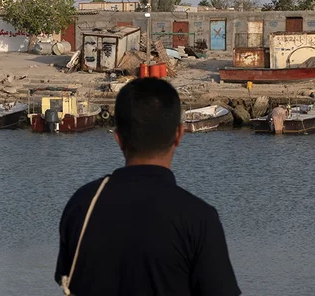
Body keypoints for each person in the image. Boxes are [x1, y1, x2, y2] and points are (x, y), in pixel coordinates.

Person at [54, 78, 240, 296]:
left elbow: (67, 279)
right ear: (179, 134)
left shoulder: (82, 205)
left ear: (118, 138)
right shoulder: (199, 219)